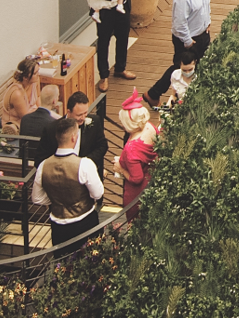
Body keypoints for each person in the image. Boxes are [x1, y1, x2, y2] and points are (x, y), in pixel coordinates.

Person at [32, 116, 104, 253]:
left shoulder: (43, 166)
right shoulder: (84, 164)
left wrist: (57, 200)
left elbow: (37, 198)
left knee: (63, 264)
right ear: (73, 138)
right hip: (84, 223)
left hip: (58, 226)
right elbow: (98, 193)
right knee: (89, 263)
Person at [146, 0, 210, 104]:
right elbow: (179, 24)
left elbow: (206, 4)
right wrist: (188, 42)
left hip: (203, 34)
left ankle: (195, 93)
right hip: (188, 39)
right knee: (180, 67)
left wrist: (208, 21)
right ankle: (153, 94)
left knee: (201, 64)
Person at [114, 90, 159, 221]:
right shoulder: (149, 127)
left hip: (137, 194)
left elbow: (137, 178)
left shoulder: (131, 149)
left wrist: (120, 169)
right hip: (152, 181)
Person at [36, 91, 108, 172]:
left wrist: (85, 162)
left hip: (85, 172)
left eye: (85, 113)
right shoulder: (51, 129)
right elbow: (41, 158)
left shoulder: (95, 121)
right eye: (79, 115)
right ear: (69, 112)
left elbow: (102, 145)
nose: (83, 118)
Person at [89, 0, 130, 91]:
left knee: (123, 37)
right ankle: (104, 76)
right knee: (104, 42)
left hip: (120, 8)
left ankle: (120, 68)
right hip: (106, 11)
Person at [2, 58, 40, 134]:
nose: (38, 74)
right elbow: (25, 118)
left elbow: (38, 97)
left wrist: (41, 112)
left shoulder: (35, 81)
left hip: (33, 114)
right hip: (17, 121)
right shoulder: (17, 93)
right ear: (25, 78)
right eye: (35, 73)